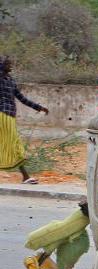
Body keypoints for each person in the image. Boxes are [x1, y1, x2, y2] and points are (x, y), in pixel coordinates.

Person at [0, 56, 48, 184]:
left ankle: (25, 176)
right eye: (8, 64)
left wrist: (38, 107)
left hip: (9, 116)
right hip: (2, 115)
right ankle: (25, 176)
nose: (11, 66)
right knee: (13, 145)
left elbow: (22, 98)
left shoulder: (10, 80)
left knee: (11, 145)